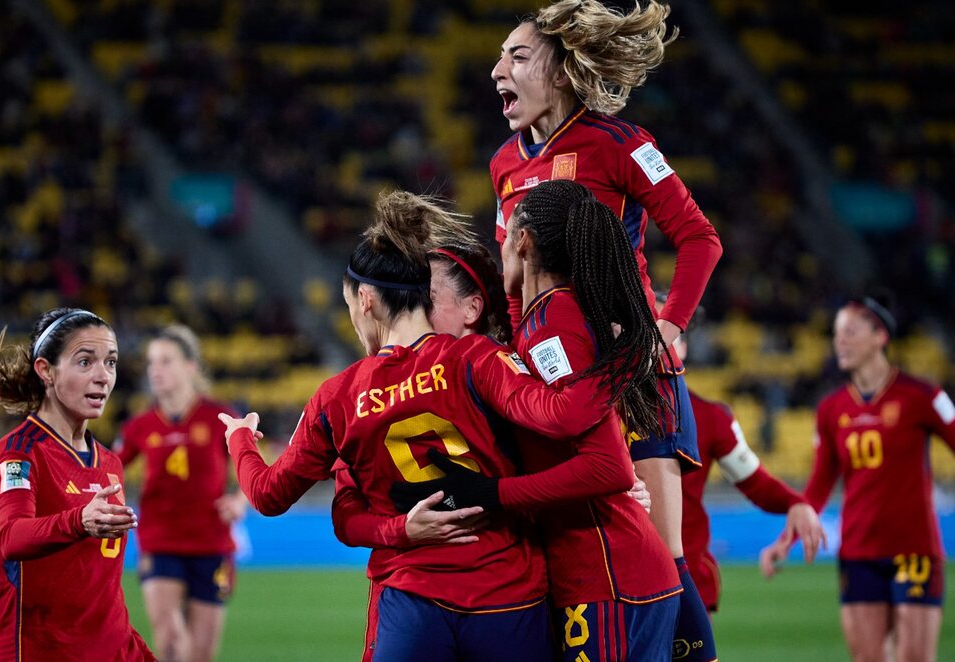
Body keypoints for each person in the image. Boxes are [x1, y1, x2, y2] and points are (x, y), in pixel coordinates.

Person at [222, 190, 639, 661]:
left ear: (365, 301)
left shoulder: (337, 396)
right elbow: (555, 419)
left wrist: (240, 440)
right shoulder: (483, 358)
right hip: (508, 594)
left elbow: (268, 495)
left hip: (411, 600)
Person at [488, 2, 723, 657]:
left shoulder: (622, 143)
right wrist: (517, 362)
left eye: (517, 56)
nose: (496, 69)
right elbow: (512, 288)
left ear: (561, 73)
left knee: (660, 557)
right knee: (582, 562)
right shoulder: (504, 165)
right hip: (562, 387)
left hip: (632, 378)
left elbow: (699, 238)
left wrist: (669, 327)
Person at [333, 229, 656, 661]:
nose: (414, 310)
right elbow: (347, 507)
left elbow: (592, 457)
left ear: (472, 308)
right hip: (470, 596)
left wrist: (606, 491)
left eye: (425, 298)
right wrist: (400, 530)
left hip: (536, 588)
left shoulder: (508, 369)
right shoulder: (371, 390)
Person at [760, 297, 955, 662]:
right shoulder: (831, 409)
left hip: (914, 550)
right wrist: (786, 538)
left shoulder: (924, 396)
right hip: (858, 552)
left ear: (880, 336)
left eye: (850, 331)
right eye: (836, 334)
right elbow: (819, 484)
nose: (840, 342)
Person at [0, 308, 154, 661]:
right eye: (85, 362)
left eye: (111, 362)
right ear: (46, 371)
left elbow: (103, 593)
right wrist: (78, 521)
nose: (103, 376)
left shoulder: (111, 464)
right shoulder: (19, 455)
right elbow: (12, 537)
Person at [662, 294, 825, 618]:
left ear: (684, 347)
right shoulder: (604, 410)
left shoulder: (711, 417)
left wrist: (795, 502)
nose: (658, 339)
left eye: (669, 331)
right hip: (621, 579)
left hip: (687, 579)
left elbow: (753, 481)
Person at [115, 324, 245, 662]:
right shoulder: (139, 426)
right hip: (160, 541)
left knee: (200, 653)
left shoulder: (220, 417)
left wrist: (240, 500)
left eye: (165, 361)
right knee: (171, 643)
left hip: (212, 542)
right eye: (151, 363)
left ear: (190, 366)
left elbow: (250, 466)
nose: (155, 371)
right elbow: (108, 469)